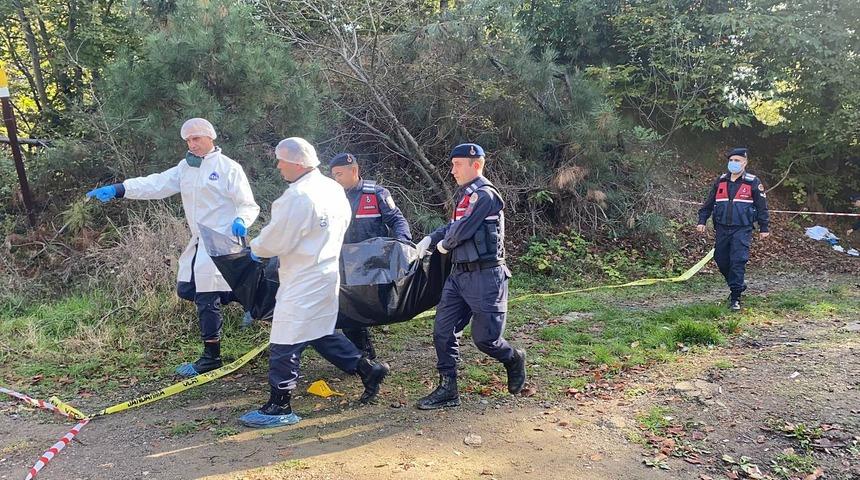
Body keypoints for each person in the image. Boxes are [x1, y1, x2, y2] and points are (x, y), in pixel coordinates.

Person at [87, 118, 259, 376]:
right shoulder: (185, 168)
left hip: (223, 240)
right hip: (200, 240)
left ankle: (211, 356)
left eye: (196, 139)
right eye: (188, 140)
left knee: (206, 296)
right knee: (187, 289)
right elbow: (156, 183)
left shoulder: (228, 168)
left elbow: (248, 204)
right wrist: (120, 189)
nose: (192, 144)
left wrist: (241, 221)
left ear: (210, 137)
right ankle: (250, 300)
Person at [239, 138, 390, 428]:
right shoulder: (332, 188)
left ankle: (279, 405)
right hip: (327, 272)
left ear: (297, 163)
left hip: (301, 276)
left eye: (282, 160)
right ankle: (368, 369)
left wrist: (254, 250)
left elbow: (276, 239)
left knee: (285, 337)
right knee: (318, 330)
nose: (279, 166)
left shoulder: (297, 197)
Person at [413, 143, 526, 410]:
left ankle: (512, 358)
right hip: (459, 277)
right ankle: (448, 390)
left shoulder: (485, 195)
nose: (452, 170)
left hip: (486, 277)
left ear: (476, 165)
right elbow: (453, 226)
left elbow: (463, 229)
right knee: (442, 331)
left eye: (457, 164)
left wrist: (445, 245)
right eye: (452, 164)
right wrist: (432, 238)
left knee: (486, 340)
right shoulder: (466, 195)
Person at [328, 152, 412, 359]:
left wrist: (402, 243)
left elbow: (397, 220)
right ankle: (363, 353)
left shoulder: (376, 193)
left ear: (354, 171)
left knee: (371, 307)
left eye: (339, 175)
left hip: (373, 261)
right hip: (343, 261)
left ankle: (362, 352)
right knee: (348, 308)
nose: (335, 180)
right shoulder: (331, 196)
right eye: (333, 175)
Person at [696, 147, 770, 311]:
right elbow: (708, 203)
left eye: (737, 160)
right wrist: (702, 220)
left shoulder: (752, 182)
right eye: (731, 160)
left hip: (742, 229)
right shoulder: (721, 181)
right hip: (722, 228)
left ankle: (735, 297)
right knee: (721, 260)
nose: (733, 163)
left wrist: (764, 227)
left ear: (745, 162)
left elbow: (762, 207)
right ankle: (737, 285)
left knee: (738, 261)